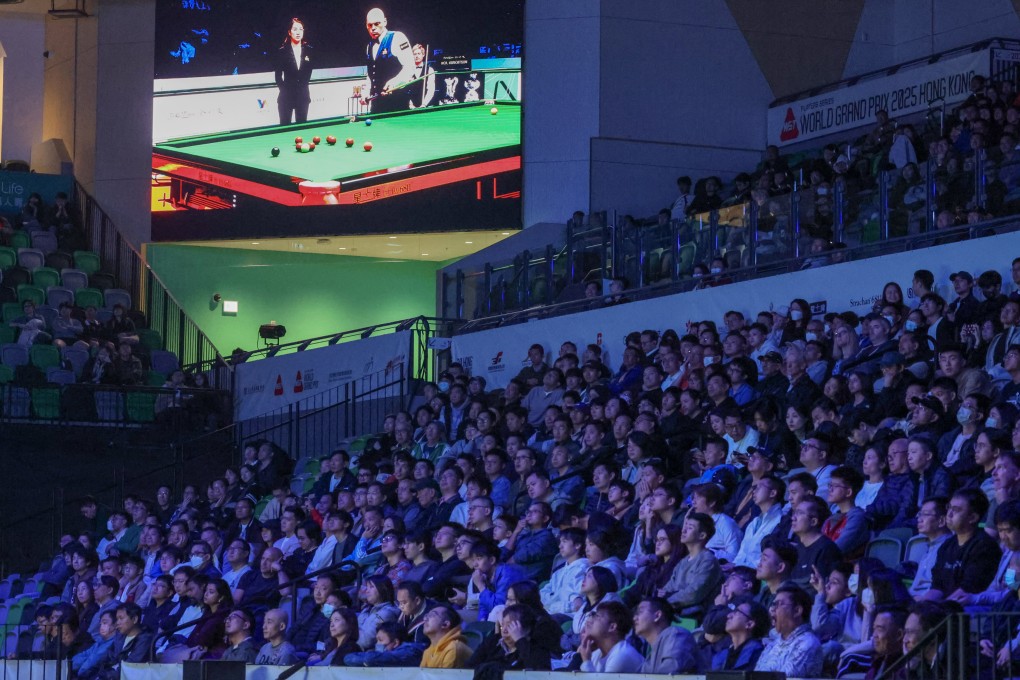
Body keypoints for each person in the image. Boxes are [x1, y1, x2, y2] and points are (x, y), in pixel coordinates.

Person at [923, 488, 1002, 600]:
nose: (949, 514)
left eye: (956, 510)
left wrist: (940, 608)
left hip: (968, 607)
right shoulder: (947, 545)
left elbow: (969, 589)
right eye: (949, 508)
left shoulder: (985, 546)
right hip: (945, 607)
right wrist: (923, 605)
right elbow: (937, 586)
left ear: (973, 517)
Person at [755, 584, 823, 677]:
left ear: (797, 611)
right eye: (773, 604)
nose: (772, 609)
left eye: (779, 604)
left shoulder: (808, 643)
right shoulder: (772, 644)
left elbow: (785, 677)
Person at [363, 7, 416, 114]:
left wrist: (394, 83)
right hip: (377, 105)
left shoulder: (398, 38)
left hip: (397, 103)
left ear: (385, 22)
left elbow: (410, 67)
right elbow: (371, 73)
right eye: (369, 25)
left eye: (377, 24)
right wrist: (366, 92)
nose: (373, 28)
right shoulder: (369, 46)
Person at [632, 597, 699, 674]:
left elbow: (670, 674)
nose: (634, 618)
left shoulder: (676, 635)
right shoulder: (650, 657)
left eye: (640, 612)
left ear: (657, 616)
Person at [578, 600, 645, 673]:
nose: (590, 620)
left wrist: (586, 661)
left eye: (597, 616)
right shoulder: (597, 653)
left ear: (612, 627)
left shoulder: (621, 655)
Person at [710, 598, 770, 671]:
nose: (729, 615)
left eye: (737, 612)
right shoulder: (721, 656)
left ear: (749, 624)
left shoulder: (759, 655)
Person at [275, 18, 312, 124]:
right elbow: (278, 76)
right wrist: (285, 90)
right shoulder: (282, 51)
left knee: (302, 128)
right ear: (289, 32)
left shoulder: (309, 50)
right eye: (295, 29)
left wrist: (302, 88)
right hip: (286, 98)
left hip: (303, 97)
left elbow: (308, 74)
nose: (298, 32)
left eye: (301, 29)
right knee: (284, 128)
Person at [344, 620, 426, 667]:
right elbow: (348, 658)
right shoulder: (382, 656)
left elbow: (370, 659)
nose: (377, 644)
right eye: (377, 640)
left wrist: (367, 659)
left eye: (380, 640)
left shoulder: (409, 652)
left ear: (395, 643)